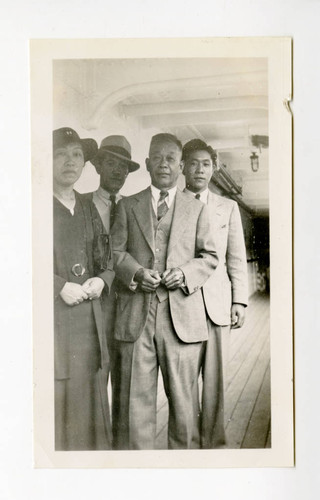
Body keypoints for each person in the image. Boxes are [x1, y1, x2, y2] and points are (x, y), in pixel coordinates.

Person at [110, 133, 218, 450]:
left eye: (170, 158)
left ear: (181, 165)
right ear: (146, 164)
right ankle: (140, 480)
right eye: (157, 157)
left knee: (184, 407)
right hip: (136, 316)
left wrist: (184, 273)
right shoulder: (128, 205)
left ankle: (182, 479)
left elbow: (210, 256)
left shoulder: (196, 209)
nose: (164, 164)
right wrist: (136, 273)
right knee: (134, 406)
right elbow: (115, 253)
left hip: (181, 318)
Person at [182, 138, 248, 448]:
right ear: (183, 166)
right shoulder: (172, 203)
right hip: (181, 305)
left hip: (219, 305)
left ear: (214, 168)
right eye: (193, 162)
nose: (199, 169)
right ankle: (188, 441)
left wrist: (239, 300)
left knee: (216, 380)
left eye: (205, 164)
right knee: (183, 380)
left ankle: (214, 443)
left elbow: (236, 256)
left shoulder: (228, 207)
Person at [53, 127, 114, 450]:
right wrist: (59, 286)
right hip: (55, 328)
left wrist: (101, 280)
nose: (70, 161)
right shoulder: (34, 206)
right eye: (61, 154)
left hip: (90, 327)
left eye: (77, 154)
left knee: (91, 404)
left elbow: (107, 261)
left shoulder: (87, 207)